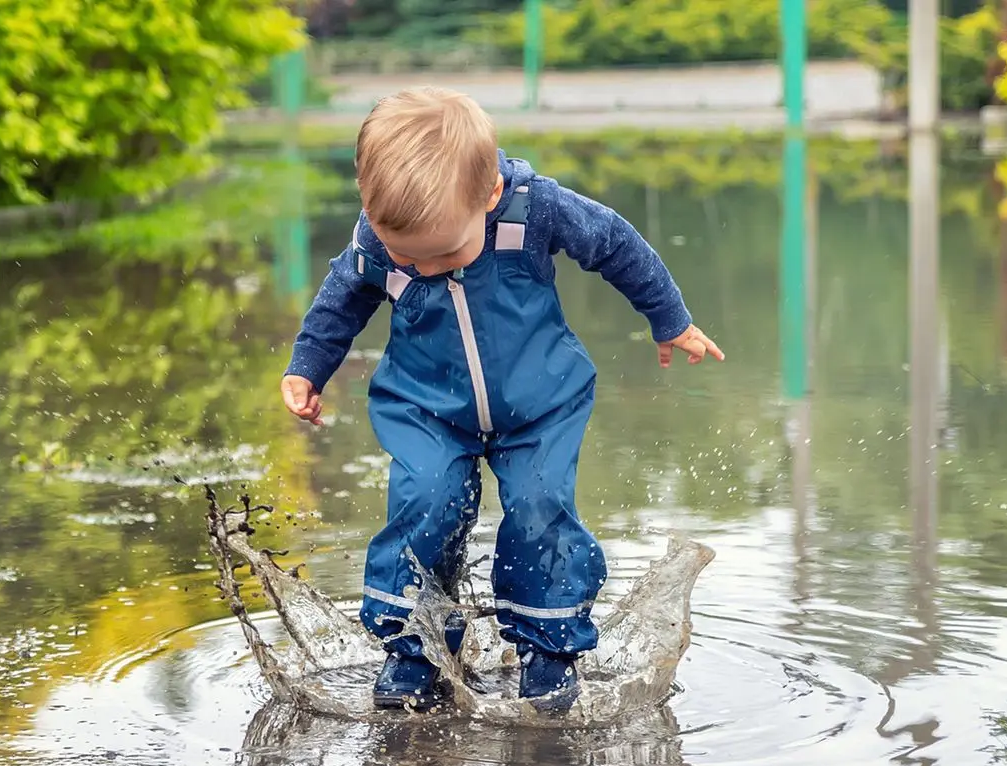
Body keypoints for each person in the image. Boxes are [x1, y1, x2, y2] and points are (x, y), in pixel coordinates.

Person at [280, 87, 724, 712]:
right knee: (424, 503)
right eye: (410, 258)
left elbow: (616, 244)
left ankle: (548, 650)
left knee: (541, 508)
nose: (427, 269)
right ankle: (414, 647)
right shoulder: (377, 237)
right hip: (425, 408)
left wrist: (669, 319)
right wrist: (308, 367)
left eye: (445, 254)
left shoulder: (533, 211)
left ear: (489, 195)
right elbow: (341, 300)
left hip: (541, 405)